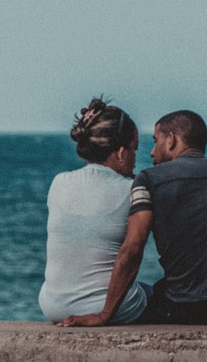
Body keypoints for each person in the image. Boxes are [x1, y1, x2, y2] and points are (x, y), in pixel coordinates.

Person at [60, 109, 207, 327]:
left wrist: (104, 315)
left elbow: (132, 248)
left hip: (185, 305)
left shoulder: (149, 180)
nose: (151, 152)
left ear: (171, 140)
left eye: (155, 140)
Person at [38, 98, 150, 325]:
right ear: (120, 152)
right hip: (102, 308)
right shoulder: (131, 190)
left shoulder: (59, 182)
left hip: (51, 305)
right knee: (155, 295)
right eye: (134, 149)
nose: (136, 157)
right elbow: (131, 252)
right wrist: (104, 315)